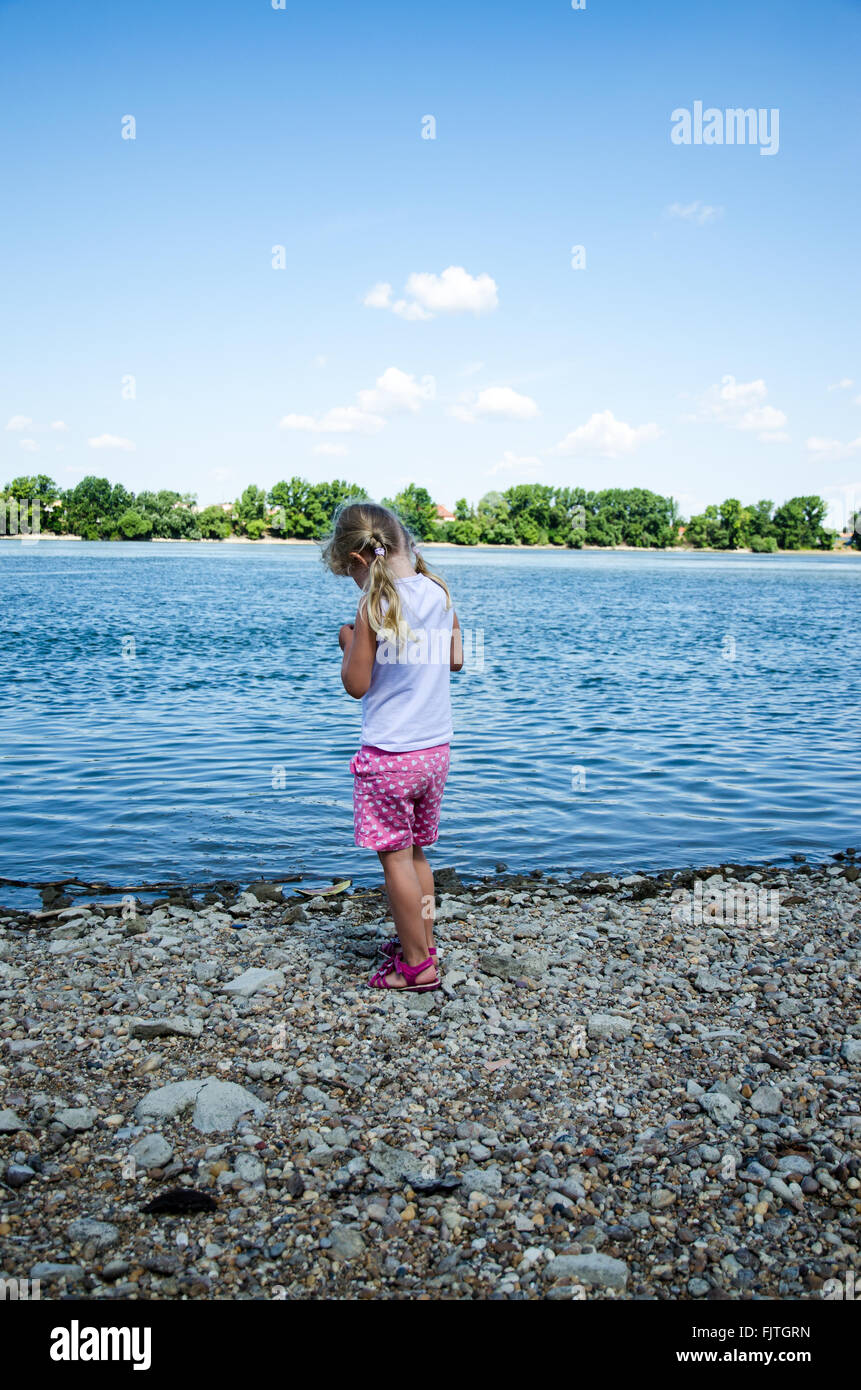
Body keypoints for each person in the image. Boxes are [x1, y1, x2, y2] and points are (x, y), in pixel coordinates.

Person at [321, 500, 463, 991]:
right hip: (435, 751)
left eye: (350, 573)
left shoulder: (374, 606)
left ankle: (418, 967)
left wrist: (350, 642)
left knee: (396, 858)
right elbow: (455, 660)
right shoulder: (440, 593)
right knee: (417, 854)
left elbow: (357, 685)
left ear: (360, 561)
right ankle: (421, 940)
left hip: (390, 756)